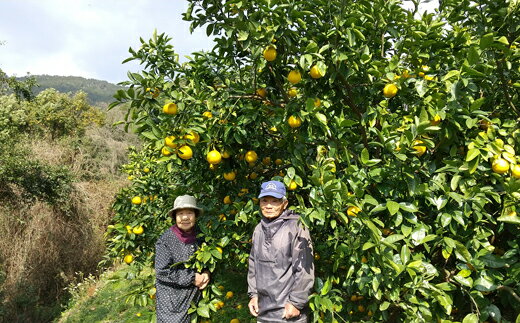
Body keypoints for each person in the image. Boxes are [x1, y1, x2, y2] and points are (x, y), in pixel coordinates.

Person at [248, 180, 315, 322]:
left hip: (287, 312)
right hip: (263, 310)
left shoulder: (296, 227)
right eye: (264, 200)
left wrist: (296, 302)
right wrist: (253, 295)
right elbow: (253, 264)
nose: (269, 206)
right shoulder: (259, 229)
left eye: (275, 201)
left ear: (284, 204)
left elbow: (304, 268)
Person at [155, 195, 210, 323]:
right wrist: (192, 277)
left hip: (193, 301)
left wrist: (207, 273)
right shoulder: (166, 240)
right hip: (171, 303)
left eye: (189, 213)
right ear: (175, 217)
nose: (185, 217)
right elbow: (162, 271)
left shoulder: (200, 235)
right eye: (180, 213)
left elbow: (206, 259)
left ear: (195, 216)